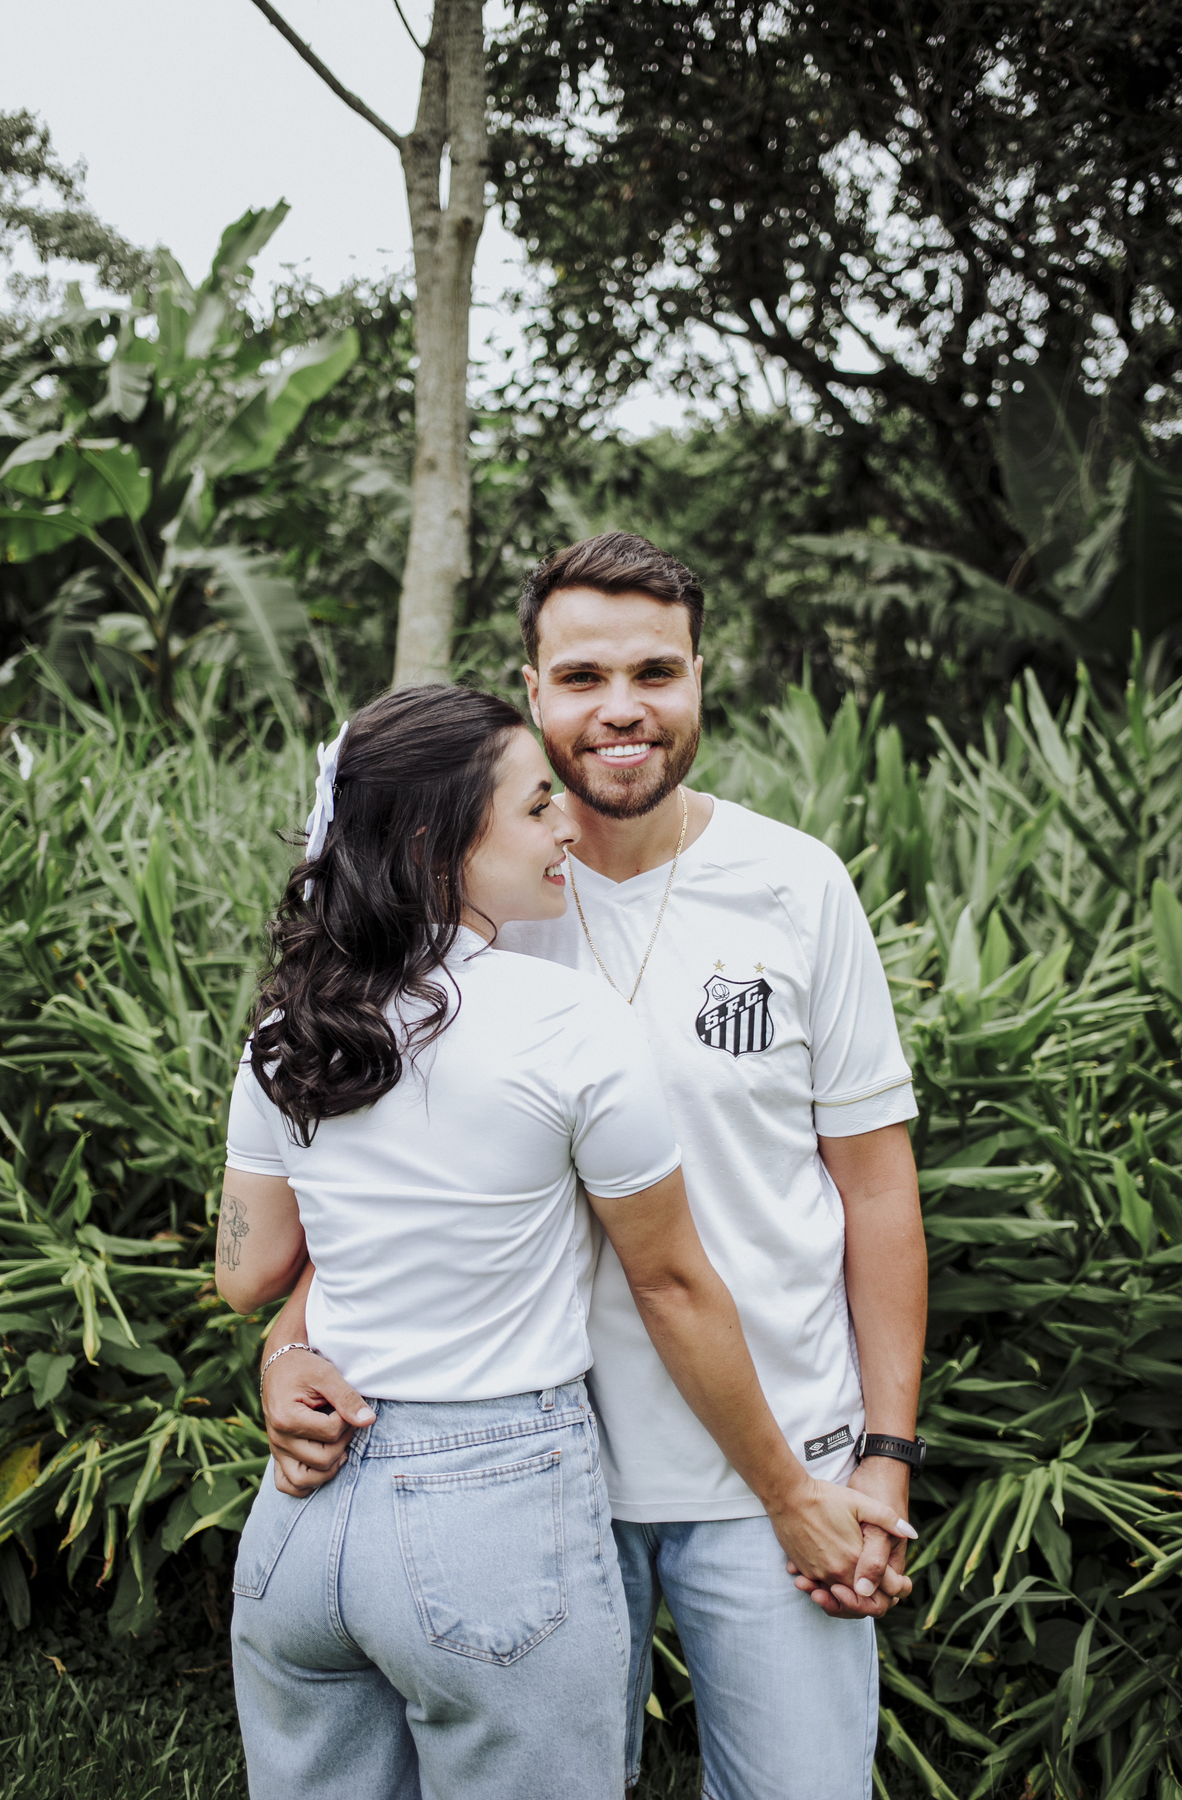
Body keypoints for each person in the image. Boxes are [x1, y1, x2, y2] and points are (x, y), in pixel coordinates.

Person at [219, 681, 915, 1800]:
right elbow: (670, 1280)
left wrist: (289, 1348)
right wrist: (796, 1493)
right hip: (491, 1496)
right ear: (435, 841)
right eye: (537, 805)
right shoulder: (565, 1018)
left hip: (307, 1522)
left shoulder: (287, 1026)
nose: (564, 829)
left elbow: (248, 1269)